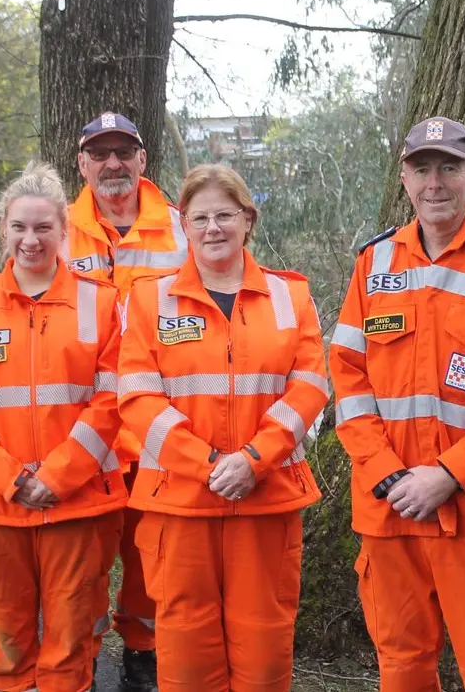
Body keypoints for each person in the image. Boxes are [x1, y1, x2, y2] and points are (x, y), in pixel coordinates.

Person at [330, 117, 465, 692]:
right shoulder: (373, 265)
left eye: (449, 168)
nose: (436, 182)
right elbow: (348, 381)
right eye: (423, 168)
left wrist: (451, 475)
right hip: (392, 510)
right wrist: (386, 475)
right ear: (404, 178)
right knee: (401, 667)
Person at [117, 163, 327, 692]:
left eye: (224, 215)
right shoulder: (148, 299)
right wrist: (208, 466)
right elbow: (137, 398)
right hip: (180, 505)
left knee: (264, 653)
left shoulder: (291, 296)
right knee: (187, 657)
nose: (213, 228)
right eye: (199, 217)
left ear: (247, 221)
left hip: (267, 500)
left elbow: (309, 389)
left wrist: (255, 460)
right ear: (183, 226)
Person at [0, 162, 126, 692]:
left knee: (71, 644)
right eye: (19, 226)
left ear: (64, 232)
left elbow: (113, 399)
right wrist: (12, 479)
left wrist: (59, 476)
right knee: (8, 643)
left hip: (79, 502)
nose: (31, 239)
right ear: (2, 227)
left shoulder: (104, 301)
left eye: (44, 227)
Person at [66, 111, 186, 691]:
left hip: (160, 426)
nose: (112, 163)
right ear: (82, 163)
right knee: (83, 564)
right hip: (84, 433)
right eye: (100, 153)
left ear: (142, 160)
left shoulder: (186, 229)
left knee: (152, 559)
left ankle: (142, 654)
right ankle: (82, 656)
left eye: (124, 152)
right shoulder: (53, 231)